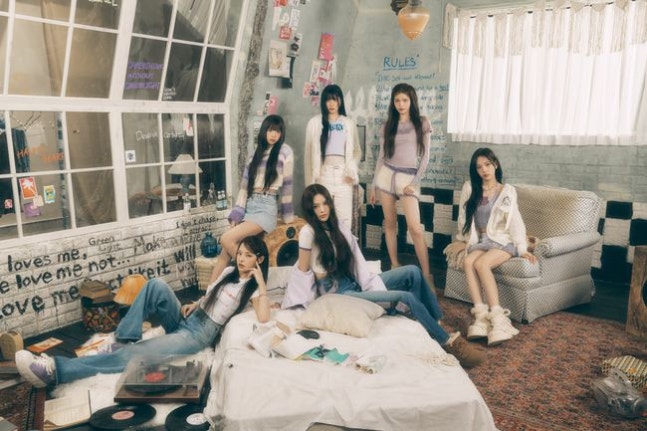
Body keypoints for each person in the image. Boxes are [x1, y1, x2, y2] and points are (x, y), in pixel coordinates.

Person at [15, 236, 271, 388]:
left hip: (197, 335)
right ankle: (123, 338)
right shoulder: (229, 272)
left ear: (259, 260)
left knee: (136, 354)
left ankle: (55, 371)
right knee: (155, 285)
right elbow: (212, 293)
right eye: (239, 253)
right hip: (190, 317)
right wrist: (197, 302)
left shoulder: (252, 289)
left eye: (248, 256)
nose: (240, 259)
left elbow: (263, 318)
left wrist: (260, 282)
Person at [283, 184, 485, 368]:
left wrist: (365, 280)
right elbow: (303, 271)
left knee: (413, 272)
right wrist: (300, 304)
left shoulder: (337, 226)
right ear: (310, 209)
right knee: (405, 297)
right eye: (316, 206)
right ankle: (447, 341)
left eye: (324, 203)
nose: (322, 209)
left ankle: (435, 323)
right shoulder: (309, 232)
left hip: (354, 282)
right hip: (339, 294)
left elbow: (357, 262)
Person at [455, 148, 537, 346]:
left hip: (502, 240)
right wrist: (463, 240)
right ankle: (481, 317)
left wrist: (522, 248)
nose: (484, 170)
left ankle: (499, 318)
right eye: (479, 167)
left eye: (487, 165)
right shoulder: (470, 188)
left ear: (495, 165)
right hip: (481, 240)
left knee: (482, 264)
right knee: (468, 262)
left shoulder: (507, 191)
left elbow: (515, 221)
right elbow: (463, 217)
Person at [210, 114, 293, 283]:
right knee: (225, 253)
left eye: (278, 131)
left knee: (226, 239)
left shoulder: (285, 152)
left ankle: (255, 275)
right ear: (264, 131)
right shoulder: (254, 154)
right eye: (270, 130)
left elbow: (287, 186)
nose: (274, 135)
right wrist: (236, 215)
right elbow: (244, 188)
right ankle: (208, 294)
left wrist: (288, 216)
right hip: (250, 206)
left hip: (266, 208)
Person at [369, 83, 435, 290]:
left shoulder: (422, 123)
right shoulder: (387, 125)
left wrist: (414, 184)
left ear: (411, 101)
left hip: (408, 177)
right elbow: (381, 157)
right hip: (386, 175)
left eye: (404, 100)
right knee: (390, 224)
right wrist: (373, 186)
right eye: (397, 100)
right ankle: (395, 266)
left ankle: (427, 276)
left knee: (415, 228)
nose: (401, 104)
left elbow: (425, 157)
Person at [304, 84, 361, 231]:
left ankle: (344, 247)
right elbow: (308, 157)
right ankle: (326, 247)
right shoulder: (314, 123)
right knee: (323, 220)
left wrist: (351, 168)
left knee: (344, 222)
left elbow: (357, 151)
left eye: (335, 99)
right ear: (323, 102)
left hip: (344, 177)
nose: (331, 103)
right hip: (323, 175)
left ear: (340, 101)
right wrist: (310, 185)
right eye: (328, 100)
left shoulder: (348, 123)